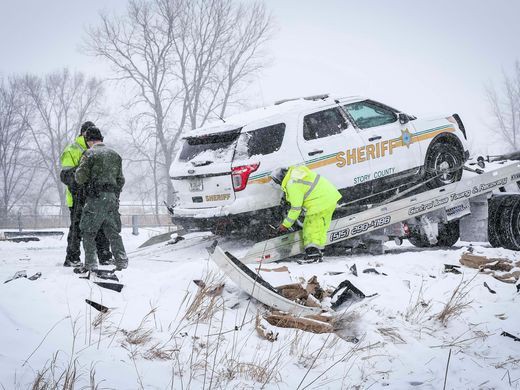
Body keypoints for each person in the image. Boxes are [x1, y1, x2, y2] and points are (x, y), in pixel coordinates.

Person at [75, 126, 128, 271]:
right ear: (101, 139)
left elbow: (80, 178)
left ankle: (91, 264)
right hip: (111, 198)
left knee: (88, 231)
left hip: (95, 198)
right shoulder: (115, 155)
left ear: (88, 141)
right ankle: (122, 260)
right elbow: (121, 180)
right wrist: (114, 194)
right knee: (112, 232)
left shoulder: (89, 154)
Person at [60, 121, 112, 267]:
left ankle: (104, 255)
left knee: (101, 225)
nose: (90, 135)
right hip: (77, 197)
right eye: (87, 132)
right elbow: (65, 174)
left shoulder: (98, 150)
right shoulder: (72, 150)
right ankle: (72, 257)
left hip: (95, 196)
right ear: (82, 133)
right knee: (77, 228)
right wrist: (80, 186)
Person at [270, 165, 341, 262]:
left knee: (310, 228)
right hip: (329, 198)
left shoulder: (292, 184)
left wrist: (285, 225)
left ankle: (313, 254)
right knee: (320, 229)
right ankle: (319, 252)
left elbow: (296, 208)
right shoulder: (296, 175)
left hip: (319, 203)